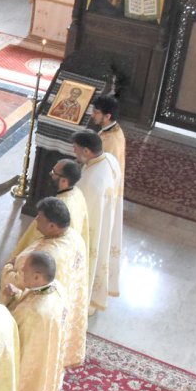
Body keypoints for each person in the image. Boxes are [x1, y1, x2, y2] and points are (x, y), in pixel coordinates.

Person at [0, 196, 89, 367]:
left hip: (38, 317)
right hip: (57, 308)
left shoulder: (44, 254)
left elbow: (17, 282)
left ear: (52, 226)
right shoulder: (75, 237)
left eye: (39, 218)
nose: (36, 220)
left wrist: (8, 268)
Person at [5, 250, 67, 391]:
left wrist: (4, 303)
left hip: (27, 365)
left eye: (26, 270)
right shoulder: (56, 287)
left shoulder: (32, 314)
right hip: (46, 356)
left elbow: (10, 335)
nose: (21, 270)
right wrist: (18, 295)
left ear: (38, 277)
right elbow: (31, 298)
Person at [72, 130, 123, 314]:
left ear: (86, 151)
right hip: (105, 224)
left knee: (89, 260)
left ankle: (83, 301)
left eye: (76, 149)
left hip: (92, 230)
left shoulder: (91, 183)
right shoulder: (109, 159)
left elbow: (78, 215)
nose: (74, 152)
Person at [11, 158, 87, 257]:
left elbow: (39, 237)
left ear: (64, 181)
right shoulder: (77, 192)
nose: (50, 174)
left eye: (54, 173)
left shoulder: (60, 207)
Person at [91, 94, 126, 187]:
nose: (92, 115)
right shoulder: (110, 128)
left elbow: (103, 168)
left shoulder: (112, 140)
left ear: (107, 116)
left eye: (96, 112)